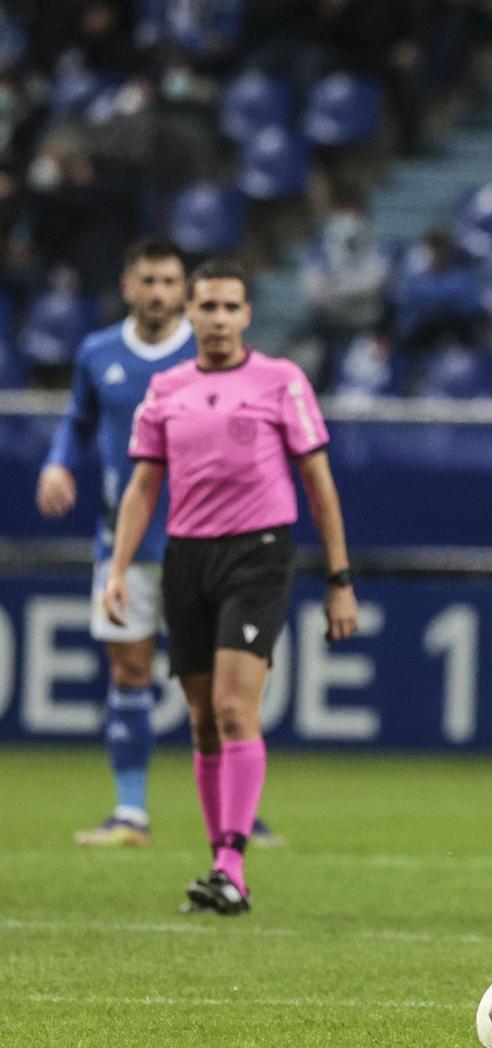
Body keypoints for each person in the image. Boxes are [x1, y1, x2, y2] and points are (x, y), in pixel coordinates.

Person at [102, 260, 359, 915]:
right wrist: (117, 570)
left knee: (235, 708)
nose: (217, 319)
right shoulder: (165, 389)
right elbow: (143, 487)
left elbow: (319, 484)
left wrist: (339, 579)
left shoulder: (281, 381)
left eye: (229, 307)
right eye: (207, 306)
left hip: (259, 553)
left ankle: (231, 865)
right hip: (186, 557)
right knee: (201, 720)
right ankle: (221, 864)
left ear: (247, 314)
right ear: (189, 313)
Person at [36, 238, 284, 852]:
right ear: (128, 285)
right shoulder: (98, 352)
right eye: (148, 281)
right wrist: (58, 464)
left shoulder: (210, 356)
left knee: (225, 691)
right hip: (122, 539)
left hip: (206, 548)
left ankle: (239, 815)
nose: (159, 294)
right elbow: (78, 420)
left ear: (188, 293)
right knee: (129, 672)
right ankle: (130, 812)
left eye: (170, 283)